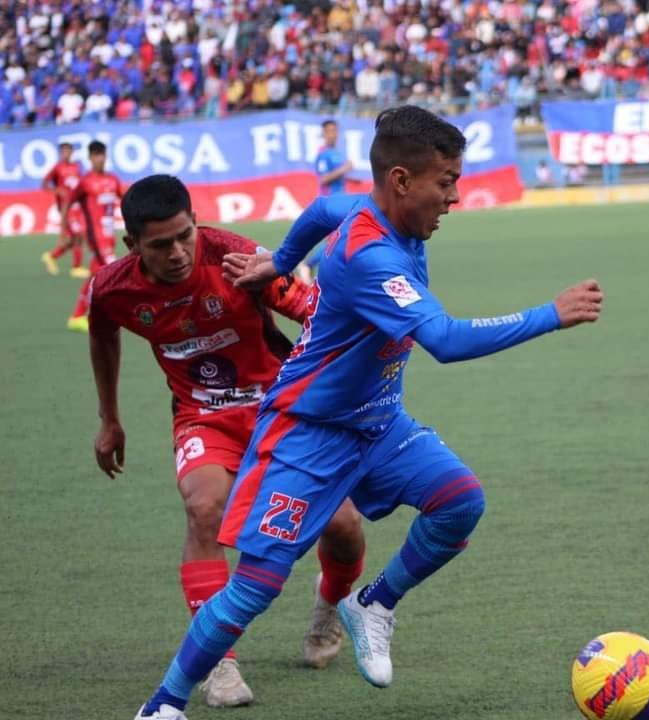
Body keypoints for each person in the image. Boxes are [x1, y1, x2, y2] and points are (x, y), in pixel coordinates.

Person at [133, 105, 603, 720]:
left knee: (461, 501)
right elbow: (446, 339)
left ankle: (373, 604)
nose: (455, 196)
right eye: (446, 181)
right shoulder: (370, 257)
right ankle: (164, 705)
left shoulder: (362, 207)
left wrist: (280, 259)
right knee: (256, 587)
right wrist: (550, 313)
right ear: (403, 180)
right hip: (310, 433)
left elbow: (322, 211)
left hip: (377, 423)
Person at [89, 175, 368, 709]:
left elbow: (314, 310)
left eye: (185, 236)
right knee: (203, 508)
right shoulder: (113, 288)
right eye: (160, 245)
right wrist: (110, 419)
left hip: (282, 409)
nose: (177, 253)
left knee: (344, 527)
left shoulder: (235, 258)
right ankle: (219, 660)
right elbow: (103, 334)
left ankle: (330, 603)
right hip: (203, 415)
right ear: (132, 246)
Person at [60, 140, 124, 331]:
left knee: (95, 276)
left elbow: (125, 200)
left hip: (109, 236)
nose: (99, 159)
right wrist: (63, 231)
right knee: (115, 270)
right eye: (95, 155)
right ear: (89, 158)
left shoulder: (113, 179)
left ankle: (77, 316)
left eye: (102, 154)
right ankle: (118, 313)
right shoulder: (85, 182)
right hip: (96, 237)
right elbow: (67, 204)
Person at [297, 119, 353, 284]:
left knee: (341, 238)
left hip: (340, 202)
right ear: (323, 134)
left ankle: (315, 268)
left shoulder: (337, 153)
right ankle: (308, 264)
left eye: (335, 130)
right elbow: (323, 179)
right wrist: (345, 168)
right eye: (329, 131)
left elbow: (339, 177)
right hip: (330, 203)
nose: (333, 134)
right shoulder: (323, 154)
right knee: (341, 238)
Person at [40, 141, 88, 278]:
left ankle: (51, 256)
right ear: (60, 153)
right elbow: (44, 183)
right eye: (63, 151)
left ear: (72, 152)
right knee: (77, 235)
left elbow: (79, 185)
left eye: (68, 151)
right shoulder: (57, 168)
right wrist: (56, 190)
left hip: (77, 205)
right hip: (66, 208)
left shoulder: (77, 167)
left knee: (76, 237)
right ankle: (76, 267)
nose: (66, 154)